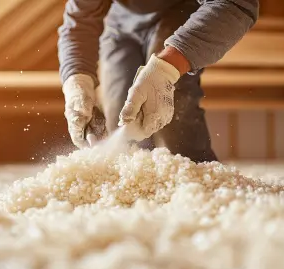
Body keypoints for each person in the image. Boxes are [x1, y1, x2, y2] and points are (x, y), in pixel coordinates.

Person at [57, 0, 259, 163]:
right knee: (119, 121)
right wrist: (77, 80)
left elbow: (236, 3)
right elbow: (79, 22)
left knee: (169, 112)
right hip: (119, 25)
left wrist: (167, 69)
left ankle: (199, 179)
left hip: (182, 12)